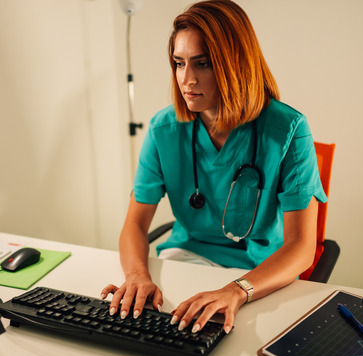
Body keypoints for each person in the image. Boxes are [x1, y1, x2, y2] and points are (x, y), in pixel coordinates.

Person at [101, 0, 327, 335]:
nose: (186, 79)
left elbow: (301, 246)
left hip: (259, 274)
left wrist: (236, 291)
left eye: (202, 64)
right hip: (186, 262)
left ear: (236, 63)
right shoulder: (164, 129)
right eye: (179, 63)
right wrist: (137, 276)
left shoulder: (288, 129)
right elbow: (135, 223)